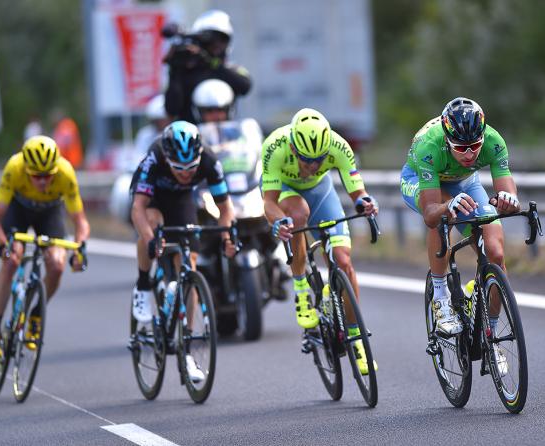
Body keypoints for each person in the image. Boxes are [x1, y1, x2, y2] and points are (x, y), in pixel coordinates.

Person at [261, 108, 379, 375]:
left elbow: (357, 191)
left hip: (320, 191)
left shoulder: (339, 145)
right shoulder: (275, 147)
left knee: (343, 261)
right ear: (293, 147)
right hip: (286, 192)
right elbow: (268, 201)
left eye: (319, 160)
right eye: (305, 159)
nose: (312, 166)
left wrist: (364, 202)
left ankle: (356, 338)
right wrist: (280, 221)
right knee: (298, 214)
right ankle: (302, 288)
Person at [400, 97, 519, 349]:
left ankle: (491, 336)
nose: (468, 154)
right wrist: (448, 207)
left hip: (466, 183)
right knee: (443, 218)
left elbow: (508, 194)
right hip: (422, 183)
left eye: (475, 146)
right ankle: (441, 296)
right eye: (460, 147)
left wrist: (510, 202)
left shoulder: (494, 141)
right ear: (446, 138)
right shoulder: (428, 146)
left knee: (495, 254)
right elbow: (431, 212)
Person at [129, 121, 236, 381]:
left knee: (190, 262)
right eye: (178, 168)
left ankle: (185, 346)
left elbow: (226, 208)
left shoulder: (209, 160)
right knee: (152, 226)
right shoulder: (153, 159)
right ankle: (143, 286)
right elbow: (137, 209)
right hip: (151, 199)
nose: (186, 173)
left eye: (191, 168)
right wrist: (150, 238)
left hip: (180, 200)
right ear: (167, 158)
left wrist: (226, 236)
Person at [0, 135, 90, 361]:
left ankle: (36, 314)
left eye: (48, 176)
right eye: (36, 177)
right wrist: (4, 245)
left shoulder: (65, 172)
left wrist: (80, 249)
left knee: (57, 266)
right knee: (12, 260)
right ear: (26, 170)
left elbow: (80, 222)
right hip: (18, 210)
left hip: (50, 213)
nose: (43, 182)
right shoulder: (15, 167)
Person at [163, 9, 251, 124]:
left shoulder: (229, 70)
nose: (217, 45)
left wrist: (210, 61)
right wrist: (174, 70)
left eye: (222, 39)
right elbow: (171, 109)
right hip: (194, 137)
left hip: (227, 137)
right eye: (211, 40)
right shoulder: (185, 71)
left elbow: (245, 86)